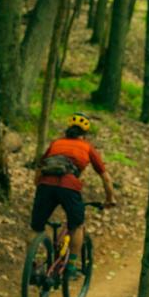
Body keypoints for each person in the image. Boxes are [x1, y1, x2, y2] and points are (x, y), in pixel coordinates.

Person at [30, 113, 115, 267]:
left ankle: (31, 264)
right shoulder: (87, 147)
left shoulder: (56, 143)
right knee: (77, 225)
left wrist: (40, 187)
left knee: (36, 227)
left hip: (45, 185)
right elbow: (106, 178)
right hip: (69, 187)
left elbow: (39, 168)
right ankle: (71, 267)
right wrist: (110, 199)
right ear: (85, 135)